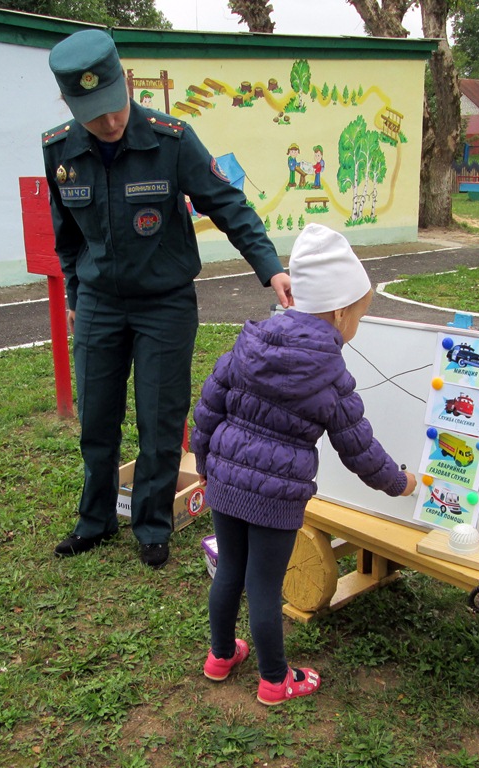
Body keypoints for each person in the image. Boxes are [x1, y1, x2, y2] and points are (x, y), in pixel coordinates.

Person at [42, 30, 291, 569]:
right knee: (96, 420)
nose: (108, 123)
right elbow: (65, 232)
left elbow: (229, 204)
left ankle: (153, 525)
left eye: (113, 107)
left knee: (160, 420)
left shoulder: (171, 139)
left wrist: (270, 269)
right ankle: (96, 520)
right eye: (93, 115)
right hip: (100, 306)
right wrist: (77, 292)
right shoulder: (59, 149)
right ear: (70, 104)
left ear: (124, 83)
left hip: (164, 304)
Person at [191, 223, 417, 705]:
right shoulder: (330, 374)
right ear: (339, 311)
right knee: (266, 587)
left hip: (226, 478)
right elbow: (359, 449)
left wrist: (206, 461)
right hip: (276, 497)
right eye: (359, 315)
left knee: (230, 569)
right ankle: (275, 680)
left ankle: (220, 655)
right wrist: (400, 483)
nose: (357, 325)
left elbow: (210, 404)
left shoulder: (251, 340)